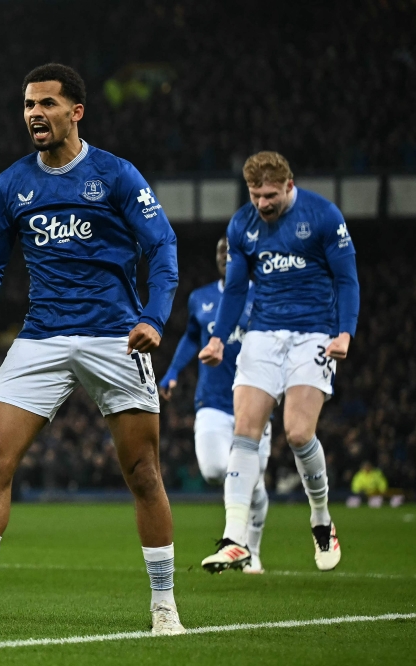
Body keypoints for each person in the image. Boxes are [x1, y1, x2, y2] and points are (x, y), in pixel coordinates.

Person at [0, 63, 183, 635]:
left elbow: (161, 247)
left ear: (76, 112)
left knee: (142, 470)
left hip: (115, 334)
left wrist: (153, 318)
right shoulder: (14, 183)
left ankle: (164, 606)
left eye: (46, 103)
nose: (34, 114)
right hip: (41, 335)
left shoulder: (116, 176)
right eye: (27, 105)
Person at [198, 151, 359, 572]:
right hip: (264, 334)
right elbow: (234, 292)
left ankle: (321, 518)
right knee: (245, 431)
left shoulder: (323, 216)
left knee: (298, 433)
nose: (263, 204)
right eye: (256, 195)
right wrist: (217, 338)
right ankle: (236, 537)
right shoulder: (242, 225)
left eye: (270, 195)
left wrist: (345, 332)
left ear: (290, 186)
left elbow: (347, 279)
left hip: (315, 334)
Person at [159, 238, 271, 573]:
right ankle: (254, 488)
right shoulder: (201, 298)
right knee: (212, 471)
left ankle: (250, 549)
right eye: (220, 250)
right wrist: (173, 372)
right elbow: (193, 337)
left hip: (256, 400)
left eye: (231, 251)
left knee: (243, 475)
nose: (224, 255)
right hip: (213, 400)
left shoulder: (264, 294)